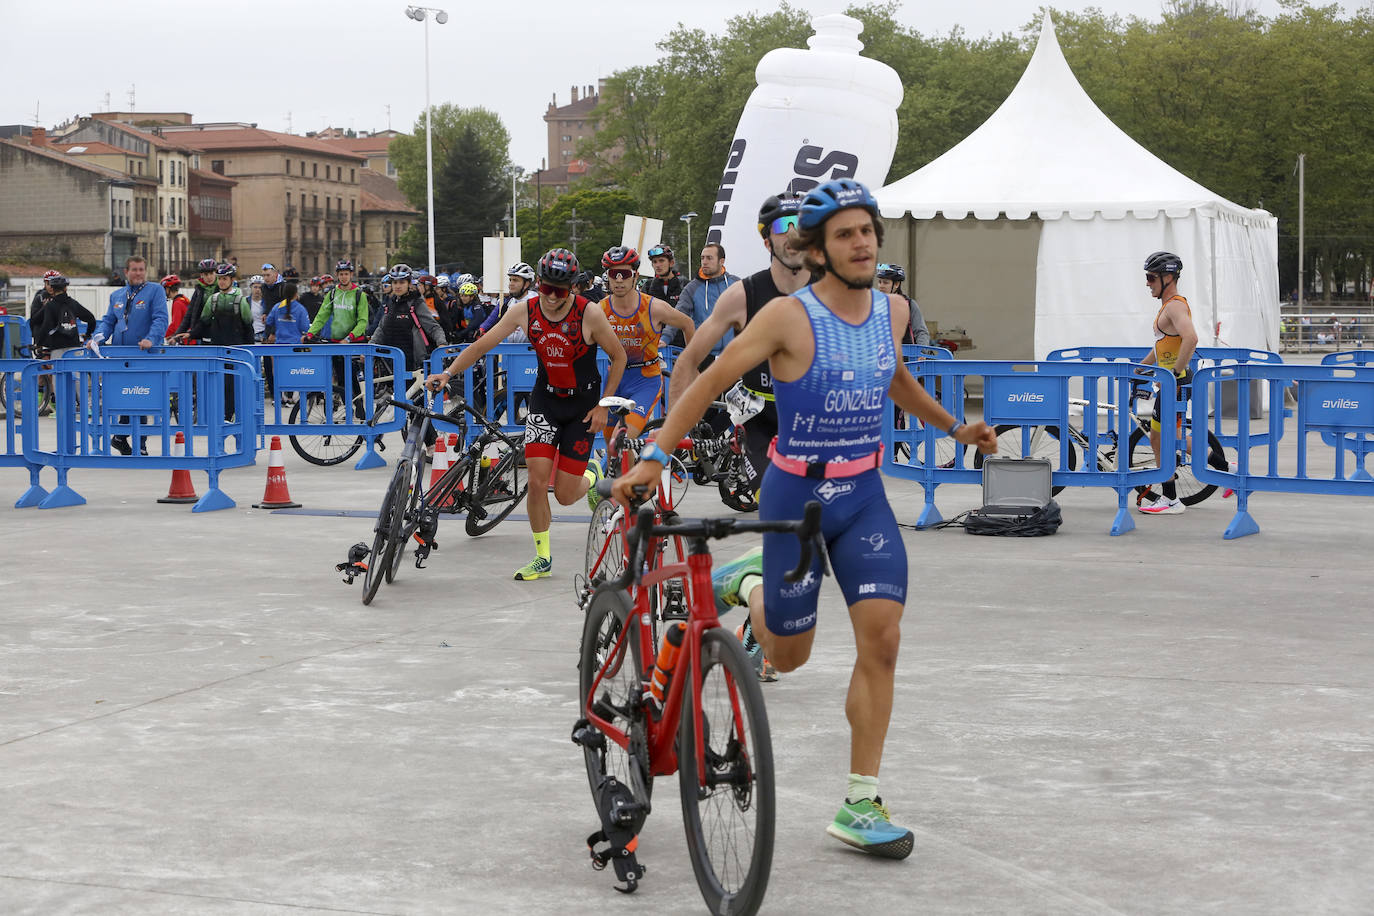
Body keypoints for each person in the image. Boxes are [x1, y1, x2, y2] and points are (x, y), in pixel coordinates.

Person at [613, 178, 996, 860]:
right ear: (817, 248)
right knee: (788, 656)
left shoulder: (888, 310)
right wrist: (653, 455)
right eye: (845, 234)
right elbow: (708, 378)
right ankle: (749, 583)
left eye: (867, 231)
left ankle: (861, 800)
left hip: (865, 500)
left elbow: (897, 379)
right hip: (796, 504)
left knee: (882, 639)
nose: (861, 243)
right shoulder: (788, 317)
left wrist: (953, 429)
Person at [426, 248, 626, 581]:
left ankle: (592, 474)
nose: (550, 297)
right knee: (536, 481)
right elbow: (481, 346)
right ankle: (542, 557)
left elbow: (618, 357)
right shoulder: (524, 310)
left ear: (573, 289)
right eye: (545, 288)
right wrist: (448, 373)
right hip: (545, 402)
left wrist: (604, 406)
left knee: (564, 494)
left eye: (559, 292)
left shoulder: (588, 314)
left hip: (582, 407)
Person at [670, 192, 811, 507]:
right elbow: (688, 362)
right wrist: (669, 439)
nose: (793, 232)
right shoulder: (741, 296)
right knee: (782, 507)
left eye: (801, 224)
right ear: (767, 243)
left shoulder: (834, 291)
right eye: (782, 226)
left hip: (814, 418)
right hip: (761, 419)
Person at [597, 246, 696, 439]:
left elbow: (687, 324)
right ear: (607, 276)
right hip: (614, 380)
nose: (619, 280)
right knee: (612, 448)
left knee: (621, 438)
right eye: (613, 274)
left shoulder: (653, 307)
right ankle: (629, 470)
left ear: (635, 275)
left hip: (645, 380)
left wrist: (691, 366)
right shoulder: (599, 310)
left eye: (624, 274)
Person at [1135, 251, 1198, 516]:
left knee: (1161, 439)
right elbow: (1162, 345)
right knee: (1165, 437)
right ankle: (1225, 466)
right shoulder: (1167, 306)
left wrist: (1173, 373)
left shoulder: (1174, 305)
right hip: (1171, 382)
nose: (1148, 283)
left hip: (1175, 383)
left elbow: (1191, 338)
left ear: (1168, 277)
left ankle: (1171, 499)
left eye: (1151, 277)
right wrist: (1140, 367)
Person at [88, 255, 169, 455]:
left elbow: (161, 318)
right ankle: (122, 437)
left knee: (141, 396)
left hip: (144, 355)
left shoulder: (155, 290)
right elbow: (108, 322)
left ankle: (137, 442)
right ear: (126, 272)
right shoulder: (117, 295)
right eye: (134, 269)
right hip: (120, 357)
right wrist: (96, 339)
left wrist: (151, 339)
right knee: (125, 397)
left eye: (141, 269)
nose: (139, 273)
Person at [369, 264, 446, 376]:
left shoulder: (416, 303)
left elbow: (433, 327)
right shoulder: (391, 303)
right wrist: (371, 345)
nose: (398, 286)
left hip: (413, 361)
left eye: (402, 282)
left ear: (409, 283)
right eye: (395, 282)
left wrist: (442, 344)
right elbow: (382, 328)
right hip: (391, 361)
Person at [667, 242, 738, 355]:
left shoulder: (736, 283)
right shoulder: (691, 288)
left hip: (733, 354)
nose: (704, 262)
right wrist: (665, 338)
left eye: (709, 258)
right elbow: (677, 316)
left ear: (721, 261)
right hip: (704, 355)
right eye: (702, 258)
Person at [30, 272, 95, 358]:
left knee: (58, 370)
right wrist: (87, 334)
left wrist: (38, 343)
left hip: (57, 347)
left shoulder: (50, 305)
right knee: (75, 370)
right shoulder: (73, 304)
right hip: (74, 345)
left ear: (52, 289)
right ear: (65, 288)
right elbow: (91, 319)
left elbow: (46, 325)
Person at [304, 260, 370, 343]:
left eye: (346, 274)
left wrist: (349, 338)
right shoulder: (332, 293)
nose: (344, 277)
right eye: (341, 274)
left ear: (351, 274)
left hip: (354, 342)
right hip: (336, 342)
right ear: (337, 275)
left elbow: (363, 321)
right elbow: (321, 317)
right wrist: (310, 334)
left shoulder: (359, 294)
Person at [476, 262, 537, 338]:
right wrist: (483, 329)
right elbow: (500, 324)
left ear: (527, 284)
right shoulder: (510, 302)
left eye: (515, 280)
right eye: (510, 280)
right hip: (511, 347)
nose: (511, 283)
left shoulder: (535, 302)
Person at [874, 264, 930, 346]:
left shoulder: (909, 305)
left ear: (896, 284)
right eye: (879, 282)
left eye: (885, 283)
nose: (881, 286)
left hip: (908, 356)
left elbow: (921, 332)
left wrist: (922, 352)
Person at [172, 259, 218, 342]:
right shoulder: (199, 290)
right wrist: (177, 335)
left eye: (211, 273)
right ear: (201, 275)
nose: (209, 277)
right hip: (200, 333)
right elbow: (189, 315)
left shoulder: (222, 288)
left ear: (216, 273)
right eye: (206, 274)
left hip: (218, 334)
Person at [642, 243, 686, 311]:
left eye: (661, 261)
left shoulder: (684, 284)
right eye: (654, 262)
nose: (658, 265)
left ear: (671, 263)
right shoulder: (648, 286)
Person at [161, 275, 189, 343]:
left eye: (164, 289)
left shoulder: (177, 303)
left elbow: (175, 325)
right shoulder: (183, 299)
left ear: (168, 289)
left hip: (186, 342)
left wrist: (162, 335)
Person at [246, 275, 268, 342]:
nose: (257, 290)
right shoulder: (245, 301)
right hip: (250, 334)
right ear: (251, 288)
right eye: (255, 287)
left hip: (263, 334)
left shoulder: (267, 303)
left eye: (260, 287)